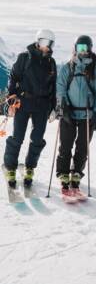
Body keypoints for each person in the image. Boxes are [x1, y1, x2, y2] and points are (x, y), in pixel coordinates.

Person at [3, 29, 57, 188]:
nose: (45, 46)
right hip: (24, 102)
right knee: (17, 137)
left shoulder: (51, 63)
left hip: (42, 105)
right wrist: (11, 96)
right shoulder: (24, 57)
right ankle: (11, 167)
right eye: (43, 42)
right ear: (37, 41)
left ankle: (30, 168)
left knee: (37, 139)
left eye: (49, 43)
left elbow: (52, 87)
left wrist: (52, 107)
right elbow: (13, 77)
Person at [55, 35, 96, 199]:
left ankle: (76, 176)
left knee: (82, 146)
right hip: (69, 112)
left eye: (85, 48)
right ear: (75, 48)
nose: (82, 51)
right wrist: (64, 107)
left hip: (87, 114)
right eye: (79, 47)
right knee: (66, 145)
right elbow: (60, 88)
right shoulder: (67, 67)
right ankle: (63, 176)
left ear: (90, 49)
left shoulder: (95, 69)